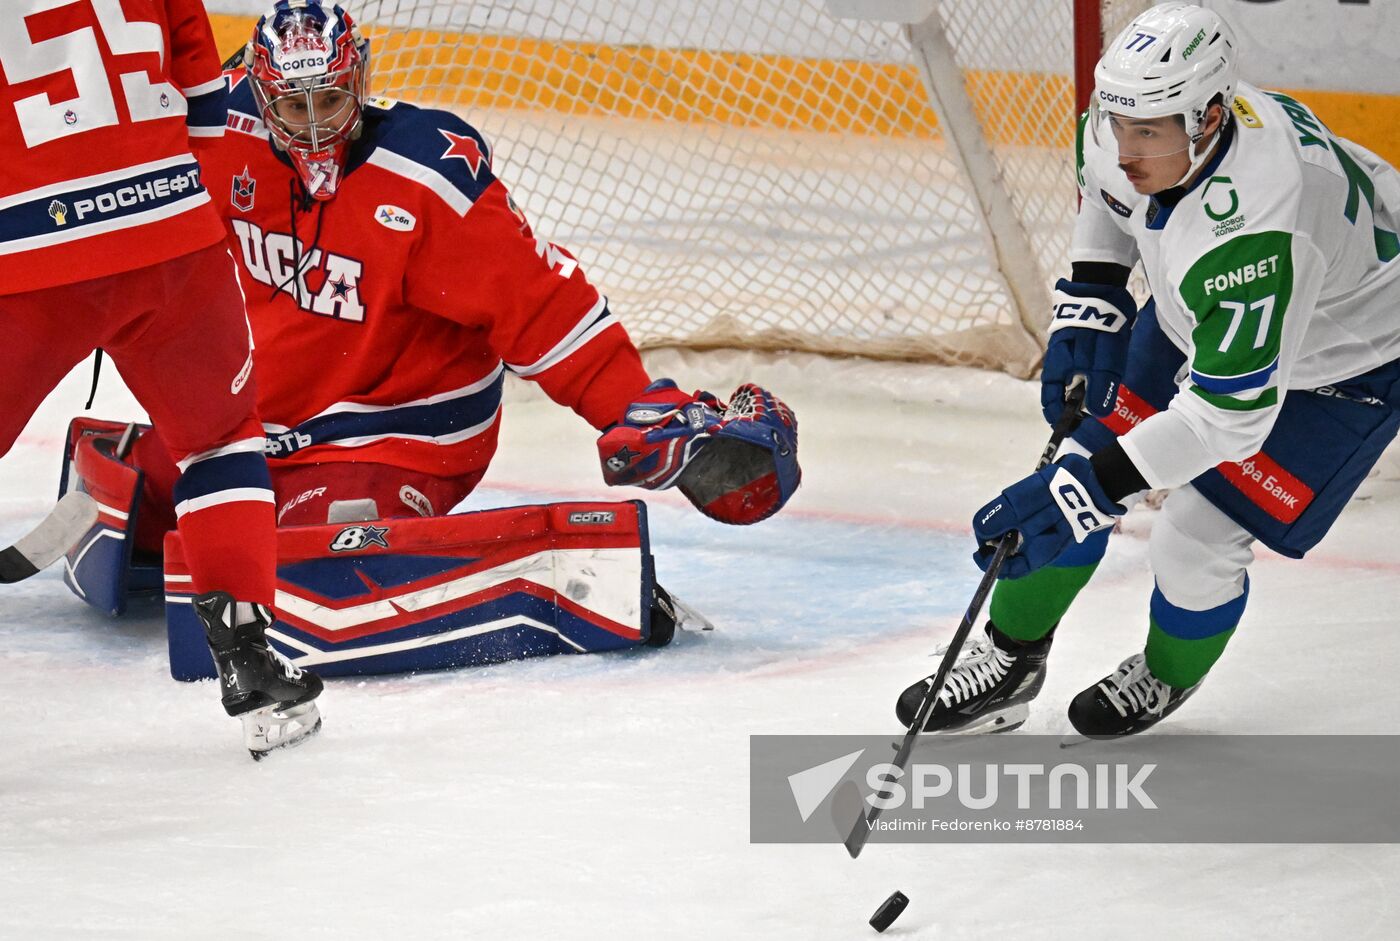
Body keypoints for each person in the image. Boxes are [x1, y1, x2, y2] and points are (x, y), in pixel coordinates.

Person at [65, 1, 799, 668]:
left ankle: (540, 577)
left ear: (361, 81)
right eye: (293, 105)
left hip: (398, 433)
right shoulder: (217, 134)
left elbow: (544, 306)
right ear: (259, 95)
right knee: (147, 505)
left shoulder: (428, 181)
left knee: (302, 562)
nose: (315, 125)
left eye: (331, 100)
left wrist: (635, 406)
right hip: (267, 421)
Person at [897, 1, 1400, 738]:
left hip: (1346, 360)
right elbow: (1111, 196)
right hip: (1204, 314)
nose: (1125, 147)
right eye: (1117, 122)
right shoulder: (1136, 121)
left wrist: (1093, 489)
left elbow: (1226, 420)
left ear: (1209, 118)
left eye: (1148, 133)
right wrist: (1095, 291)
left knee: (1195, 537)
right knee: (1075, 464)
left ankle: (1169, 670)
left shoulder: (1256, 228)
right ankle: (1009, 661)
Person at [1, 0, 322, 756]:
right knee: (221, 441)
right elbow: (205, 95)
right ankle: (248, 659)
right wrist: (169, 218)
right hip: (173, 231)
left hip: (25, 251)